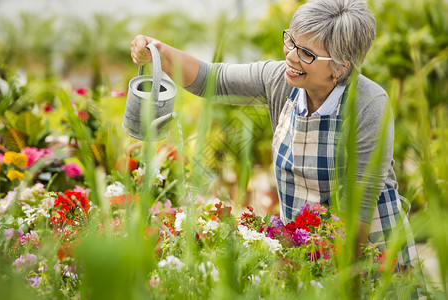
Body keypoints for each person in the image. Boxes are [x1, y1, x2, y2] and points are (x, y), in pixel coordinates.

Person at [131, 0, 422, 288]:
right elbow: (213, 80)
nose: (291, 57)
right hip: (307, 253)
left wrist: (331, 278)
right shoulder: (281, 82)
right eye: (291, 41)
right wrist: (159, 51)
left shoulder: (368, 103)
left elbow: (358, 208)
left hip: (368, 253)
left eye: (306, 53)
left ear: (340, 66)